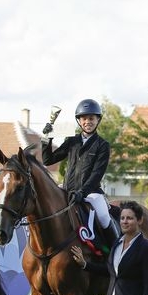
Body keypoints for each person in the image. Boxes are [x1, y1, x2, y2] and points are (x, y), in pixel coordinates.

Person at [42, 98, 119, 246]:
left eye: (91, 118)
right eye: (84, 118)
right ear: (79, 121)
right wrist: (47, 138)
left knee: (103, 216)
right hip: (68, 191)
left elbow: (97, 174)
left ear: (98, 120)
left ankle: (115, 250)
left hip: (91, 193)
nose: (87, 122)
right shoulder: (72, 141)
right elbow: (48, 160)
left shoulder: (103, 145)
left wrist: (82, 192)